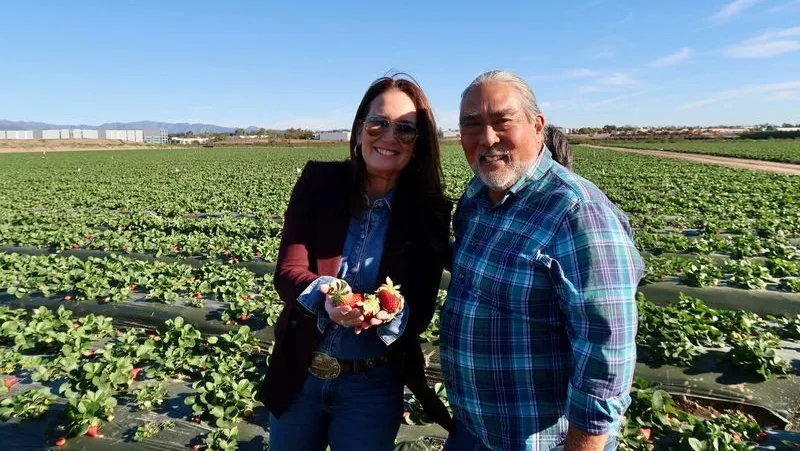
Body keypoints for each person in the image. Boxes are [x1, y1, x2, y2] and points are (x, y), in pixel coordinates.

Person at [440, 70, 644, 451]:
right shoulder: (477, 197)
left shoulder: (577, 212)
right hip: (473, 429)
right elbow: (477, 270)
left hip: (540, 441)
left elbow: (607, 352)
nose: (487, 138)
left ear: (537, 126)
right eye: (472, 126)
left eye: (502, 121)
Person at [258, 74, 454, 451]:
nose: (389, 136)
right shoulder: (319, 183)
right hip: (302, 373)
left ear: (419, 142)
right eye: (378, 122)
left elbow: (422, 308)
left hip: (372, 385)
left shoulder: (428, 211)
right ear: (361, 127)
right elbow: (288, 272)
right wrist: (326, 295)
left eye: (406, 129)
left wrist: (391, 313)